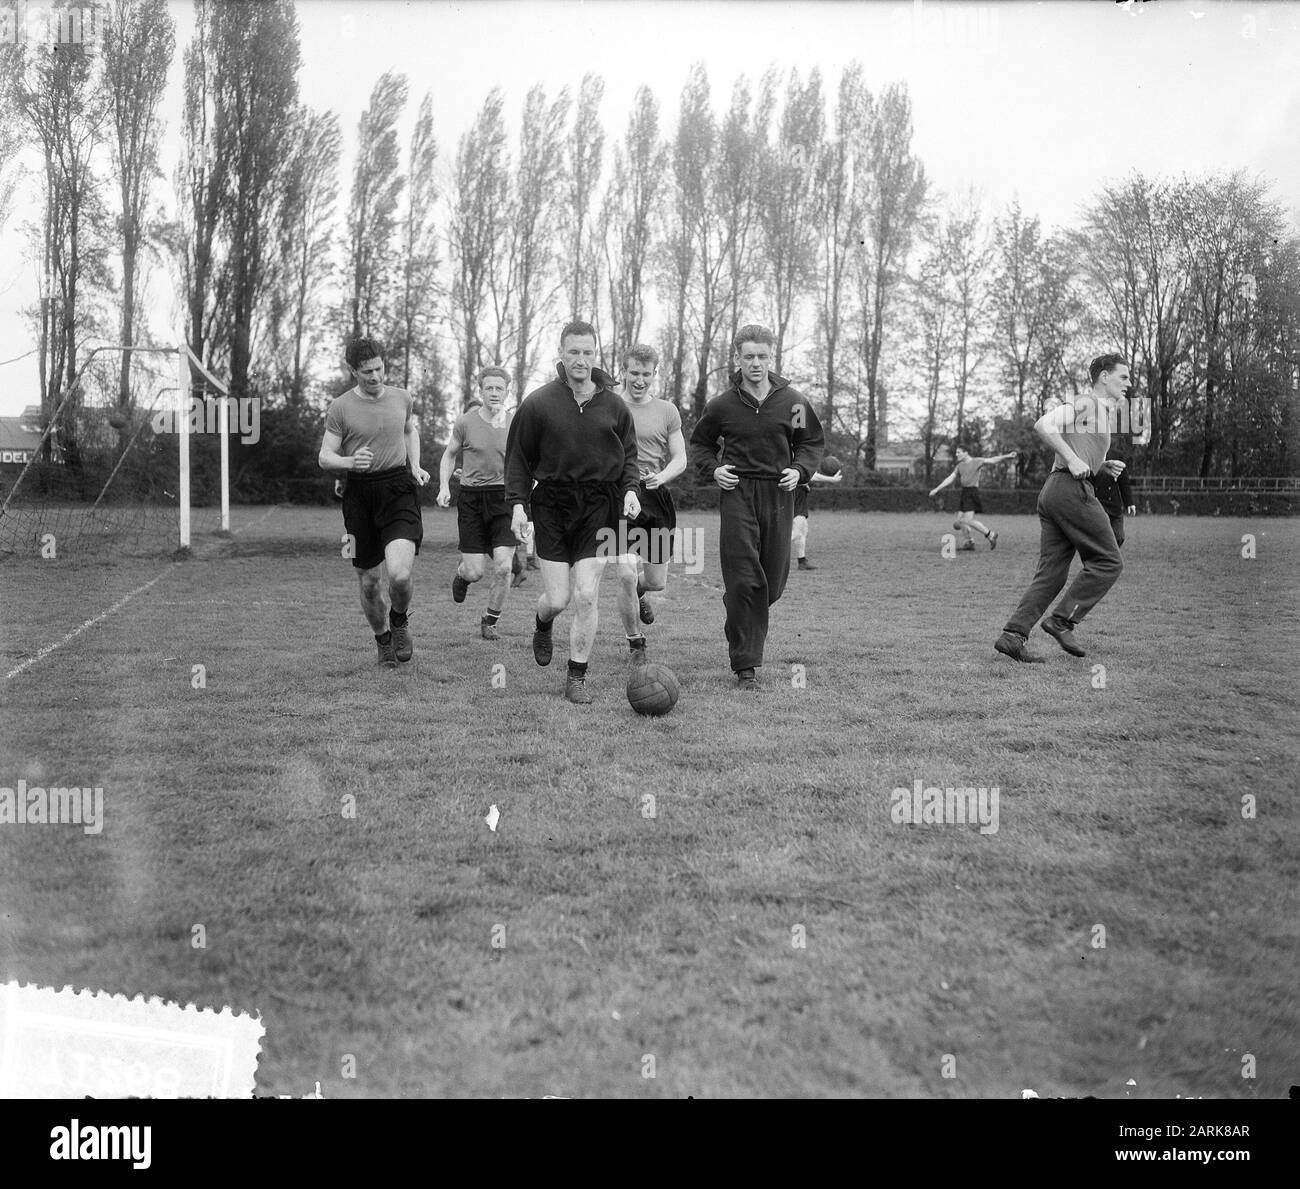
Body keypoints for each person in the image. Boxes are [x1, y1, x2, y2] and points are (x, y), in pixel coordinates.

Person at [504, 320, 640, 704]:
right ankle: (542, 622)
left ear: (596, 355)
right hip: (551, 505)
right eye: (574, 352)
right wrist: (518, 505)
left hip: (600, 506)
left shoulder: (614, 405)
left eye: (588, 352)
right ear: (561, 355)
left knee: (586, 595)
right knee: (558, 598)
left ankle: (576, 675)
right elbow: (518, 460)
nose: (581, 360)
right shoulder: (538, 403)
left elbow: (629, 455)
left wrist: (630, 490)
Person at [688, 324, 824, 689]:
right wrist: (715, 470)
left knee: (772, 585)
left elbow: (810, 441)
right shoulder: (722, 405)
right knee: (746, 578)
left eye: (762, 356)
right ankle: (745, 667)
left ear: (771, 357)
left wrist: (800, 470)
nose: (756, 363)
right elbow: (700, 445)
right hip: (738, 494)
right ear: (738, 358)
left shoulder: (792, 402)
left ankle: (737, 606)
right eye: (749, 356)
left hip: (779, 493)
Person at [995, 354, 1150, 663]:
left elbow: (1078, 450)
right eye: (1124, 377)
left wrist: (1099, 465)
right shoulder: (1088, 403)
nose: (1129, 384)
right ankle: (1062, 620)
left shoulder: (1100, 412)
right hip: (1069, 491)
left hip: (1054, 491)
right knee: (1109, 561)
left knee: (1051, 574)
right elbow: (1044, 424)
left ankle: (1013, 636)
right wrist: (1074, 459)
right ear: (1104, 377)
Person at [318, 337, 429, 667]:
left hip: (398, 489)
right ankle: (382, 639)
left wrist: (417, 465)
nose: (376, 377)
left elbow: (410, 430)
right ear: (352, 371)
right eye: (367, 372)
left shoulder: (402, 398)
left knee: (399, 576)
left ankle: (399, 620)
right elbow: (325, 457)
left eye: (379, 369)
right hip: (359, 497)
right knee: (369, 581)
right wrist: (349, 462)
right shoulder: (340, 407)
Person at [613, 345, 686, 665]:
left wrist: (663, 476)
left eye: (646, 374)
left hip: (656, 498)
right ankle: (635, 641)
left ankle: (642, 595)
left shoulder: (668, 411)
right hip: (619, 497)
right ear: (624, 372)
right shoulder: (611, 406)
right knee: (627, 573)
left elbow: (680, 457)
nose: (639, 380)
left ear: (655, 374)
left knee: (655, 581)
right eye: (634, 373)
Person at [437, 367, 516, 640]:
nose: (494, 393)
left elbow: (530, 458)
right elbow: (449, 455)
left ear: (507, 391)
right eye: (489, 388)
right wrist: (444, 486)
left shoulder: (515, 423)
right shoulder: (465, 422)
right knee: (475, 571)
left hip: (505, 498)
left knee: (505, 567)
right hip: (471, 499)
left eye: (499, 388)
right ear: (480, 390)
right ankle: (462, 575)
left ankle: (490, 620)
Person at [928, 447, 1017, 550]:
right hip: (964, 493)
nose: (956, 454)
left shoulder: (976, 461)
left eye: (959, 452)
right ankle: (969, 542)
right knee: (958, 523)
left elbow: (992, 460)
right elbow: (950, 478)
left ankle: (990, 534)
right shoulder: (959, 466)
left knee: (968, 521)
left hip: (972, 493)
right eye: (956, 452)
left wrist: (1007, 456)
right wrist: (937, 489)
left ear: (966, 453)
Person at [791, 467, 843, 571]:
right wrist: (831, 479)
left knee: (803, 531)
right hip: (796, 498)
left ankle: (802, 561)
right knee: (796, 532)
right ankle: (767, 551)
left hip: (799, 498)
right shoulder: (796, 461)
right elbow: (812, 476)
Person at [1091, 447, 1136, 548]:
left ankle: (1108, 554)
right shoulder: (1091, 454)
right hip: (1097, 505)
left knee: (1119, 537)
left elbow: (1124, 482)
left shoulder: (1117, 455)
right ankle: (1104, 557)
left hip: (1114, 505)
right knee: (1100, 537)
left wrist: (1129, 503)